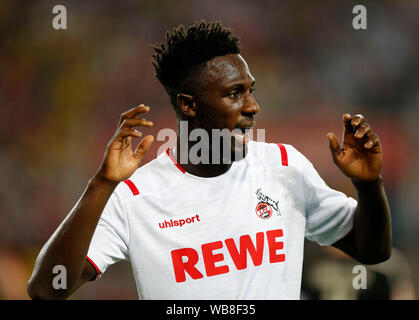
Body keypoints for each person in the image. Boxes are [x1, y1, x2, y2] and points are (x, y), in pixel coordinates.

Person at [27, 21, 392, 300]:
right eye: (235, 94)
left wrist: (368, 184)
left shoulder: (284, 165)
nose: (252, 107)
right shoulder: (134, 195)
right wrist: (102, 185)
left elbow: (372, 250)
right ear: (189, 105)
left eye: (251, 90)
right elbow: (47, 288)